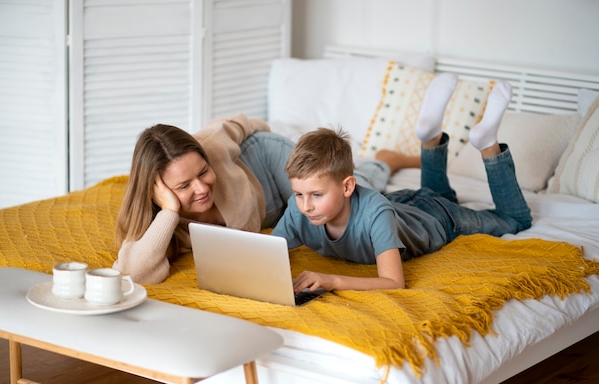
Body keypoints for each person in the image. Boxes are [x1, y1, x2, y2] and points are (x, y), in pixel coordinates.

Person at [271, 74, 533, 293]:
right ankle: (430, 136)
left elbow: (394, 283)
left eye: (316, 195)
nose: (306, 206)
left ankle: (488, 144)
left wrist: (332, 280)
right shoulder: (299, 210)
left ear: (348, 187)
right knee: (436, 193)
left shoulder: (374, 213)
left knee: (515, 219)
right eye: (298, 194)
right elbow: (268, 254)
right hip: (402, 204)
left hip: (438, 218)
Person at [114, 114, 391, 284]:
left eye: (204, 172)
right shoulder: (158, 214)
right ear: (155, 190)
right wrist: (170, 211)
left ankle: (381, 162)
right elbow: (135, 274)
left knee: (351, 197)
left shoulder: (211, 144)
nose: (202, 188)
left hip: (267, 161)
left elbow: (241, 124)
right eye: (185, 185)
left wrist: (267, 129)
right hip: (268, 212)